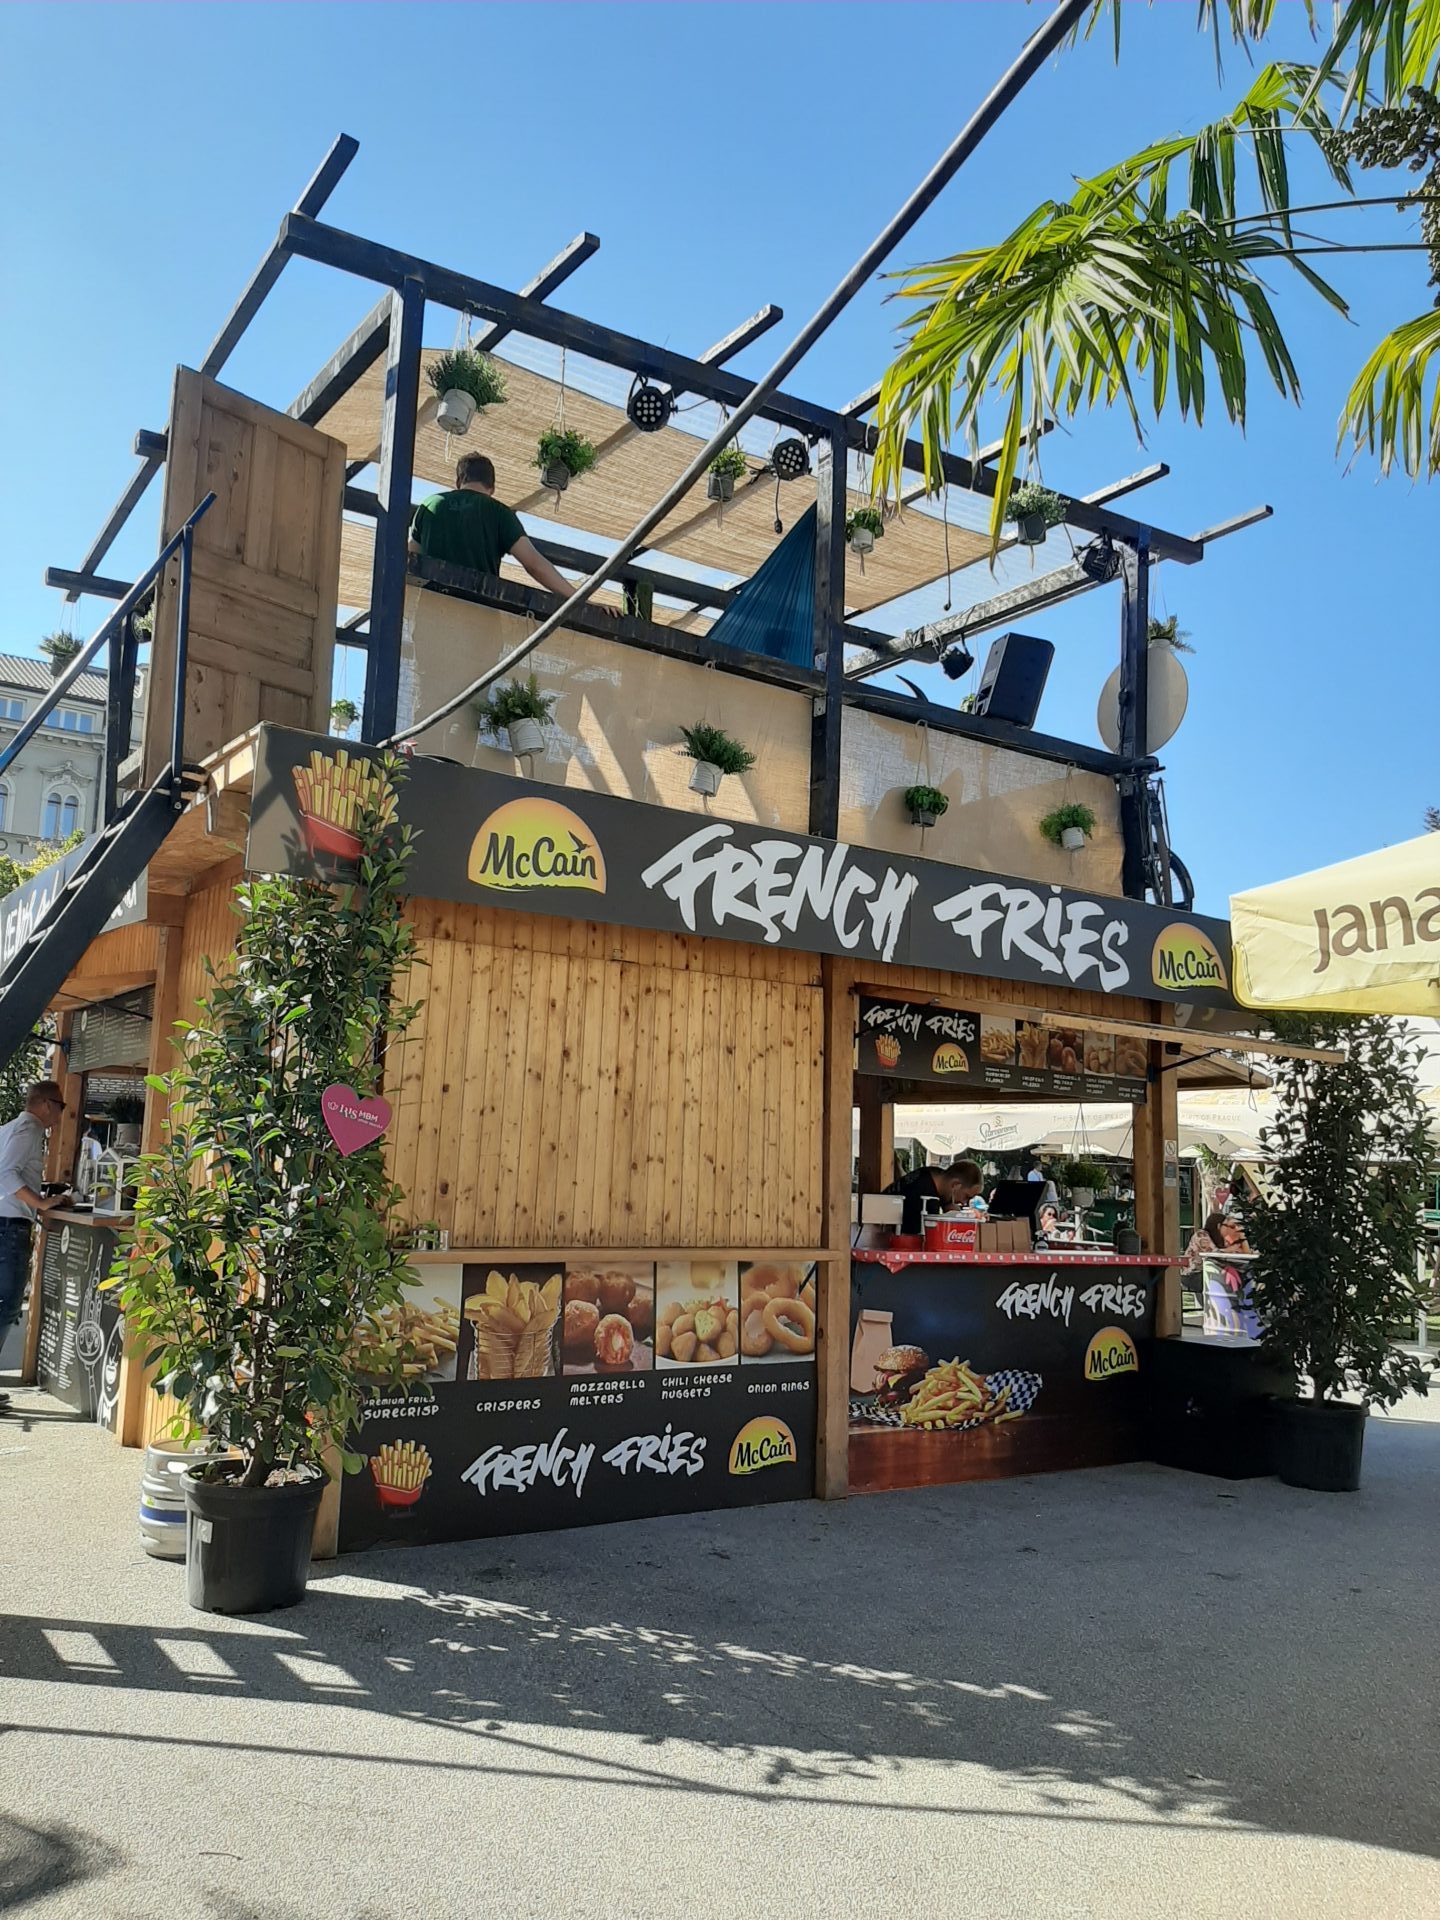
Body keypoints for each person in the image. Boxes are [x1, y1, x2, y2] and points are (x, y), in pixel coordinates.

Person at [409, 452, 576, 596]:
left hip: (429, 605)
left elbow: (410, 558)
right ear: (492, 487)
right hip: (479, 608)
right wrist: (577, 599)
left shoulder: (430, 505)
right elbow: (534, 564)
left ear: (459, 481)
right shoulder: (499, 513)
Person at [0, 1081, 68, 1412]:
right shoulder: (29, 1129)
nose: (61, 1114)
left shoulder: (10, 1127)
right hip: (9, 1227)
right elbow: (6, 1175)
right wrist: (41, 1203)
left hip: (6, 1223)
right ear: (46, 1104)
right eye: (61, 1106)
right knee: (7, 1305)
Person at [886, 1156, 984, 1237]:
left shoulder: (930, 1174)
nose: (964, 1203)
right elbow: (924, 1239)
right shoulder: (926, 1198)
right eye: (966, 1197)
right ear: (955, 1185)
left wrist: (949, 1206)